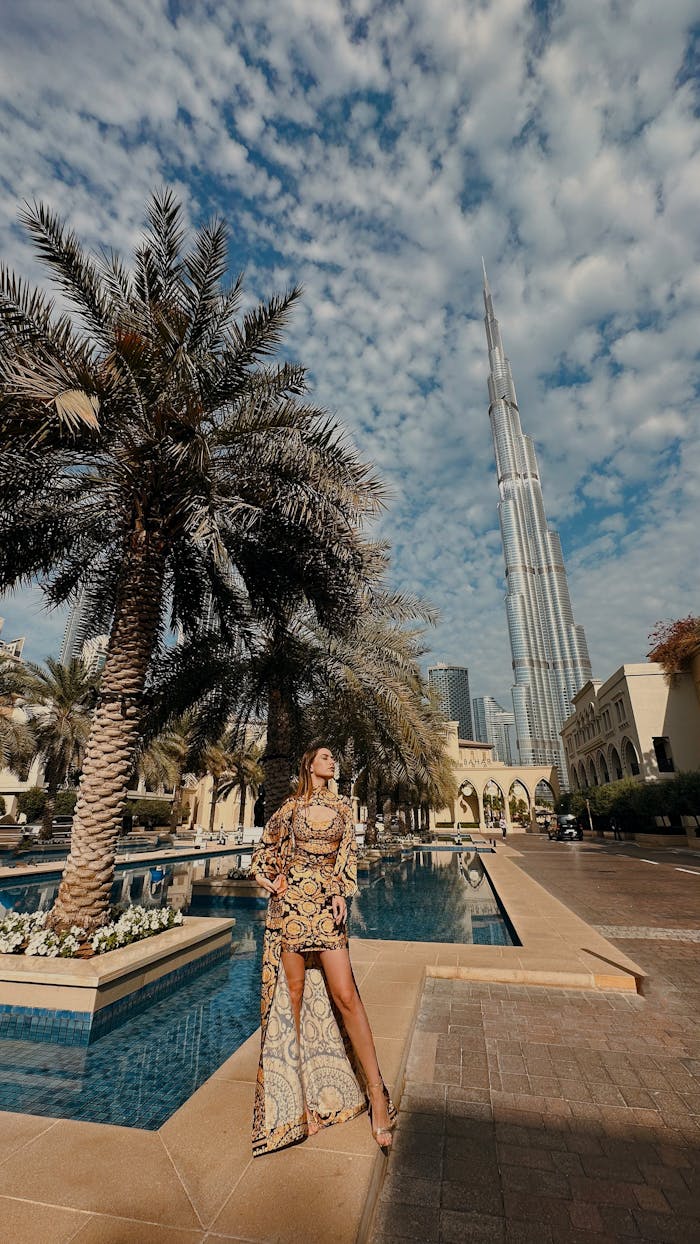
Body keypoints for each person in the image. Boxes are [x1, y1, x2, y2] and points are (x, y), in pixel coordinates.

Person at [250, 745, 396, 1157]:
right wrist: (271, 882)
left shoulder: (344, 810)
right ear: (310, 765)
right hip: (291, 908)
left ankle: (377, 1096)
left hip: (325, 910)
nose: (333, 762)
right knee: (292, 999)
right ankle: (299, 1105)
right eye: (326, 756)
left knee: (346, 996)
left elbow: (348, 859)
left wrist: (339, 892)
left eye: (334, 758)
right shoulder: (290, 808)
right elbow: (261, 853)